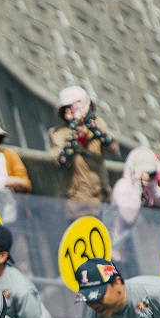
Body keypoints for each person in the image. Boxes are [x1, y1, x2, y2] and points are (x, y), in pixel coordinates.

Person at [48, 86, 119, 219]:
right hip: (75, 203)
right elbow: (61, 161)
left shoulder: (97, 125)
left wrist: (92, 126)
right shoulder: (59, 134)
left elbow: (112, 146)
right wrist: (74, 133)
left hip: (100, 199)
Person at [110, 147, 160, 275]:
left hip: (135, 253)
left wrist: (152, 186)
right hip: (119, 254)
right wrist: (138, 186)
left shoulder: (147, 186)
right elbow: (129, 216)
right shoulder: (123, 187)